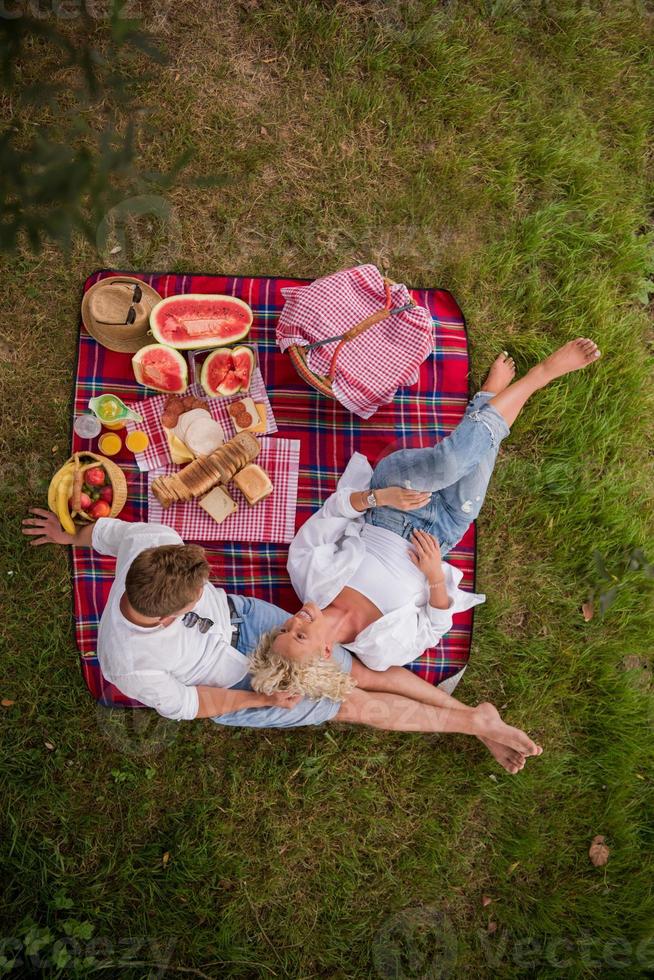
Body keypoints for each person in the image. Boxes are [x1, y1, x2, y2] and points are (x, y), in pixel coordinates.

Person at [22, 504, 543, 775]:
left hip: (246, 618)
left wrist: (71, 535)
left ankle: (478, 721)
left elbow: (111, 534)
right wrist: (262, 698)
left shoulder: (152, 544)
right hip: (240, 684)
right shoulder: (126, 663)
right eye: (195, 597)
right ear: (170, 616)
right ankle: (473, 722)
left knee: (354, 670)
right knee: (350, 703)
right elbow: (194, 702)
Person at [248, 337, 602, 694]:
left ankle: (541, 374)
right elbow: (435, 626)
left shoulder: (307, 576)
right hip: (444, 529)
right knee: (475, 465)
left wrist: (379, 496)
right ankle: (485, 401)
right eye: (300, 635)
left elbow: (334, 513)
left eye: (284, 629)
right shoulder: (380, 652)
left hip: (390, 501)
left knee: (449, 463)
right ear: (325, 652)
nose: (294, 621)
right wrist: (434, 576)